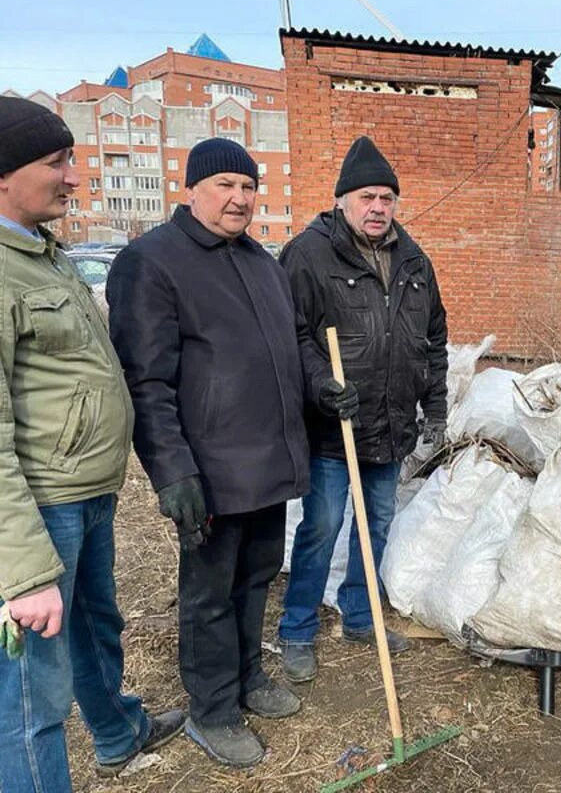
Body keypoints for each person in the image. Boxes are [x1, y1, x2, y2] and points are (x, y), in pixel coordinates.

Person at [106, 138, 342, 767]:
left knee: (257, 576)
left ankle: (246, 676)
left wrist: (321, 386)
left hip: (268, 460)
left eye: (247, 187)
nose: (239, 199)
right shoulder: (151, 262)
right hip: (209, 468)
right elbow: (146, 381)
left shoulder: (261, 262)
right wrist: (172, 470)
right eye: (224, 186)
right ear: (192, 190)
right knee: (210, 594)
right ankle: (211, 709)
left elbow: (293, 342)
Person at [0, 96, 184, 790]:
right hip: (39, 507)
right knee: (30, 697)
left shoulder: (42, 255)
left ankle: (116, 730)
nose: (74, 177)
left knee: (95, 624)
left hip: (85, 491)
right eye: (57, 162)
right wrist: (23, 573)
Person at [276, 136, 448, 683]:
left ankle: (359, 615)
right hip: (334, 425)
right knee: (322, 526)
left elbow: (434, 339)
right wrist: (323, 385)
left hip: (390, 423)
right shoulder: (308, 255)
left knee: (376, 525)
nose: (378, 207)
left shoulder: (414, 260)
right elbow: (292, 334)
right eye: (367, 197)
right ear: (343, 200)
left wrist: (435, 408)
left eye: (386, 198)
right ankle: (297, 629)